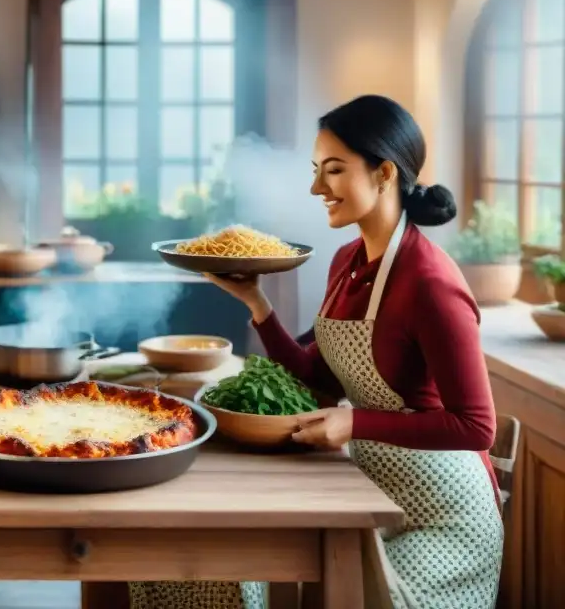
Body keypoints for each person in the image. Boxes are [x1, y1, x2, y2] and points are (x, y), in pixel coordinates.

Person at [129, 94, 503, 609]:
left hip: (441, 518)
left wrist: (354, 424)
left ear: (384, 173)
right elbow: (321, 380)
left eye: (333, 170)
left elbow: (477, 427)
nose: (315, 188)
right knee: (225, 556)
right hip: (370, 491)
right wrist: (257, 304)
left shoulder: (431, 283)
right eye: (315, 170)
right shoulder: (347, 261)